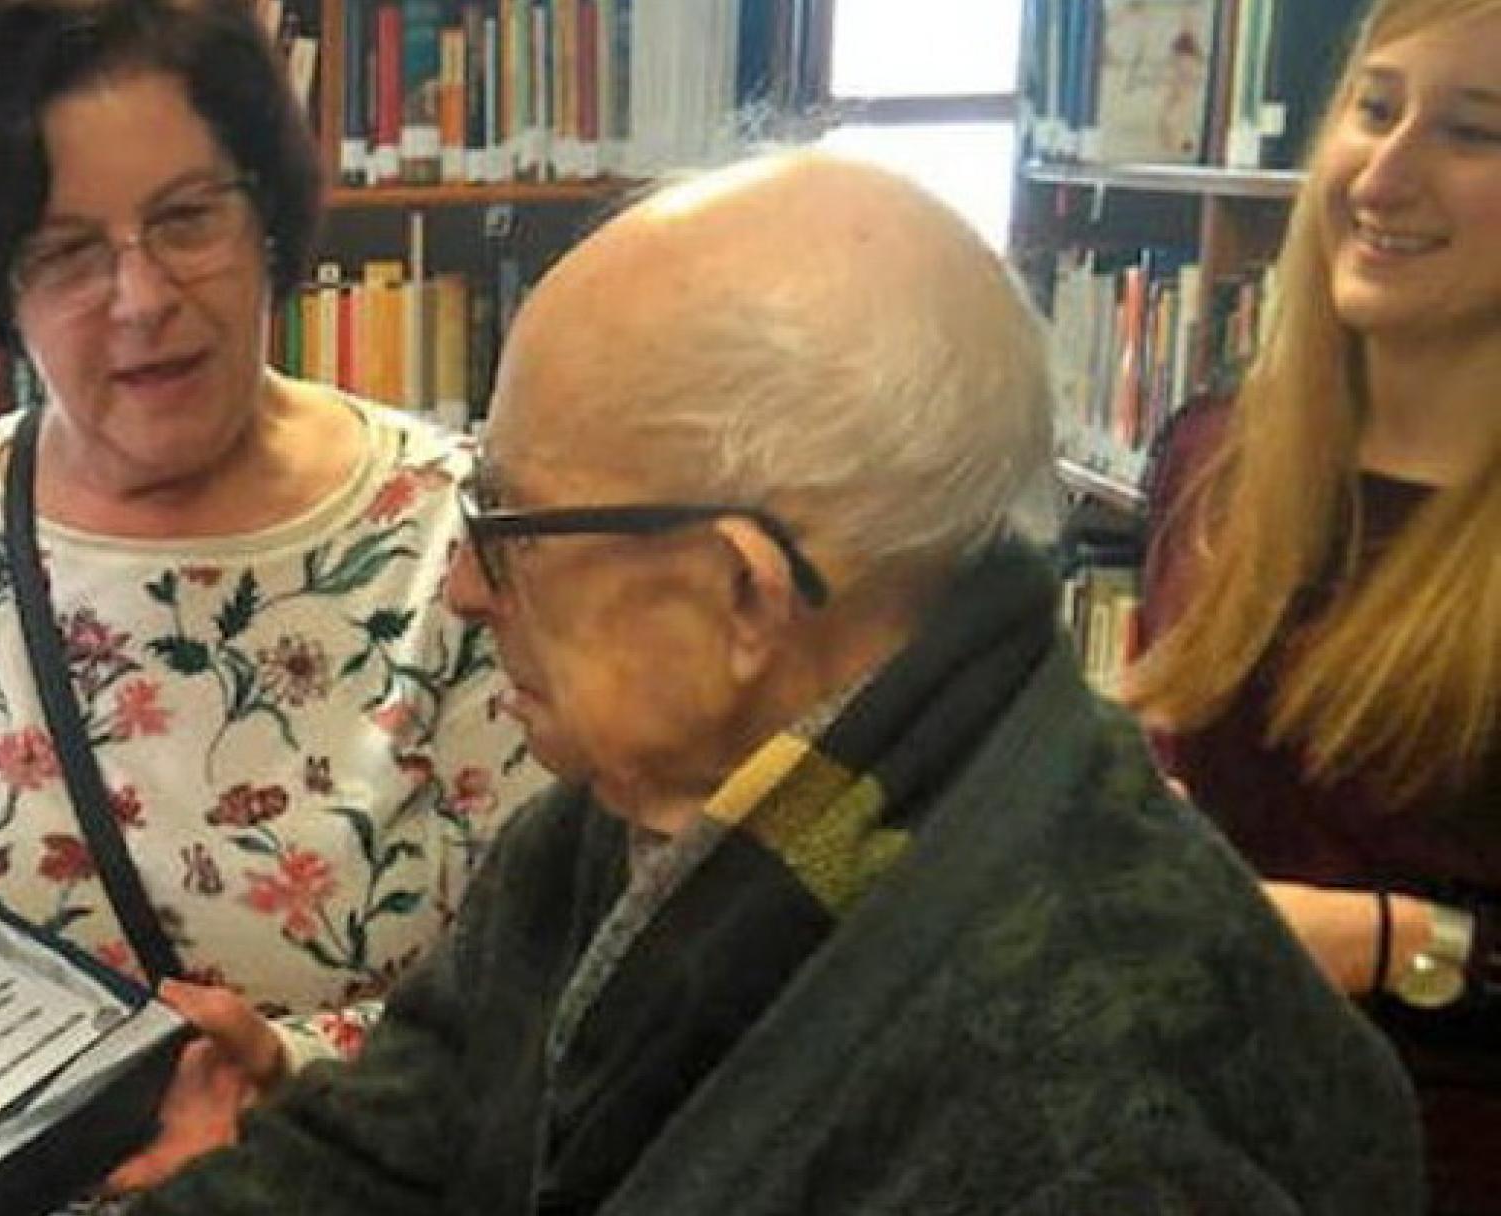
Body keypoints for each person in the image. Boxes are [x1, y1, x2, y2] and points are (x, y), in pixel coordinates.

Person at [112, 151, 1424, 1215]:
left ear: (740, 597)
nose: (462, 586)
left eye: (509, 525)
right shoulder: (638, 825)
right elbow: (377, 1161)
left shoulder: (1090, 1115)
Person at [0, 0, 543, 1073]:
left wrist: (284, 1073)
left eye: (187, 219)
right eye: (67, 252)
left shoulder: (460, 539)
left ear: (265, 217)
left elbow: (556, 994)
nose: (141, 298)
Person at [1128, 0, 1501, 1210]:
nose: (1385, 174)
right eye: (1375, 109)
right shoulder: (1211, 459)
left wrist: (1389, 942)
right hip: (1184, 1143)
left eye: (1474, 131)